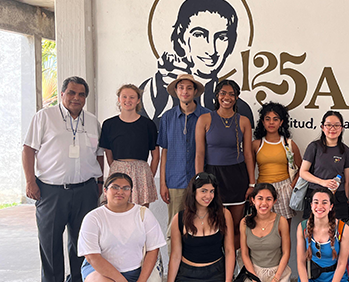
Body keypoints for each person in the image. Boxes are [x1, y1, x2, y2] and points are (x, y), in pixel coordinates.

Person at [22, 76, 104, 282]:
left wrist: (99, 183)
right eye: (71, 93)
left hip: (86, 189)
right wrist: (30, 181)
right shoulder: (44, 117)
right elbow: (28, 149)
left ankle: (78, 281)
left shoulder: (92, 121)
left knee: (82, 239)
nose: (76, 98)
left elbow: (98, 154)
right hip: (51, 190)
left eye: (81, 94)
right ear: (62, 94)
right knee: (49, 239)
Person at [140, 0, 254, 126]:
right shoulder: (156, 91)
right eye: (199, 35)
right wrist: (162, 84)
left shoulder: (240, 109)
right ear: (181, 38)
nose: (212, 50)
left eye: (222, 37)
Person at [78, 173, 166, 282]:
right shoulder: (93, 218)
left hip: (134, 273)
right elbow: (92, 257)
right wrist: (120, 281)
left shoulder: (143, 214)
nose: (120, 192)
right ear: (105, 191)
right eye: (115, 187)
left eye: (126, 188)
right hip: (101, 273)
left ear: (131, 192)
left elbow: (153, 250)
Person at [165, 172, 234, 282]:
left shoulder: (224, 214)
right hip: (188, 274)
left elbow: (229, 251)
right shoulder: (180, 218)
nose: (208, 196)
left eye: (211, 191)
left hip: (215, 273)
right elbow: (175, 256)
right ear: (193, 191)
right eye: (203, 190)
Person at [195, 79, 254, 249]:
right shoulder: (204, 119)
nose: (227, 97)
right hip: (212, 177)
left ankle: (234, 267)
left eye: (231, 94)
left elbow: (248, 154)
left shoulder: (243, 121)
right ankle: (217, 265)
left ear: (236, 98)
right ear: (217, 96)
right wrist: (200, 182)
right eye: (223, 93)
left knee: (235, 227)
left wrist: (251, 183)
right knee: (214, 226)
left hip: (237, 177)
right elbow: (199, 153)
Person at [294, 189, 349, 282]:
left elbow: (342, 263)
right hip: (312, 279)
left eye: (324, 202)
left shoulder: (343, 229)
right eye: (316, 202)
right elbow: (300, 263)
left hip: (335, 279)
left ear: (331, 206)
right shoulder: (302, 227)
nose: (319, 206)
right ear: (311, 204)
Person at [157, 74, 211, 224]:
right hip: (175, 181)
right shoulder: (167, 117)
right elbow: (165, 152)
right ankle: (173, 249)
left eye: (189, 88)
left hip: (201, 181)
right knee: (175, 224)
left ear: (194, 91)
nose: (185, 91)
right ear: (176, 91)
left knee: (201, 223)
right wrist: (163, 183)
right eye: (181, 88)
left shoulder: (207, 115)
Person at [239, 183, 292, 282]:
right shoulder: (245, 222)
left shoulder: (281, 221)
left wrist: (275, 280)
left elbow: (286, 252)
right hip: (254, 272)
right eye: (260, 198)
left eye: (268, 199)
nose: (264, 203)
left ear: (274, 201)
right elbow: (244, 254)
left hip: (277, 273)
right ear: (253, 200)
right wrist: (255, 280)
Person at [99, 84, 159, 207]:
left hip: (141, 172)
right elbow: (108, 152)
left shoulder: (148, 125)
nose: (128, 100)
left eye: (132, 97)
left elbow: (155, 154)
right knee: (116, 208)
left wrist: (148, 175)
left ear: (138, 100)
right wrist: (117, 167)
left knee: (141, 212)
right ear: (119, 99)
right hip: (118, 169)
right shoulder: (109, 124)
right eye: (124, 97)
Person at [299, 111, 349, 222]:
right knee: (312, 233)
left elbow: (347, 181)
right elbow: (303, 172)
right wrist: (323, 182)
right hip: (315, 196)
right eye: (328, 125)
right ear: (322, 127)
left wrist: (345, 199)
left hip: (337, 198)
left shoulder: (346, 151)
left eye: (337, 125)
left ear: (342, 128)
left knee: (336, 234)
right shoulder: (314, 147)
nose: (332, 128)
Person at [251, 102, 302, 220]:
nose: (271, 122)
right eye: (267, 119)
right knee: (262, 226)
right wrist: (253, 189)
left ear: (281, 122)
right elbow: (249, 169)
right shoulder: (256, 144)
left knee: (283, 229)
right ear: (263, 122)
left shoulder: (289, 144)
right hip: (261, 189)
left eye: (275, 119)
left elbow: (302, 169)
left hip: (284, 188)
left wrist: (291, 187)